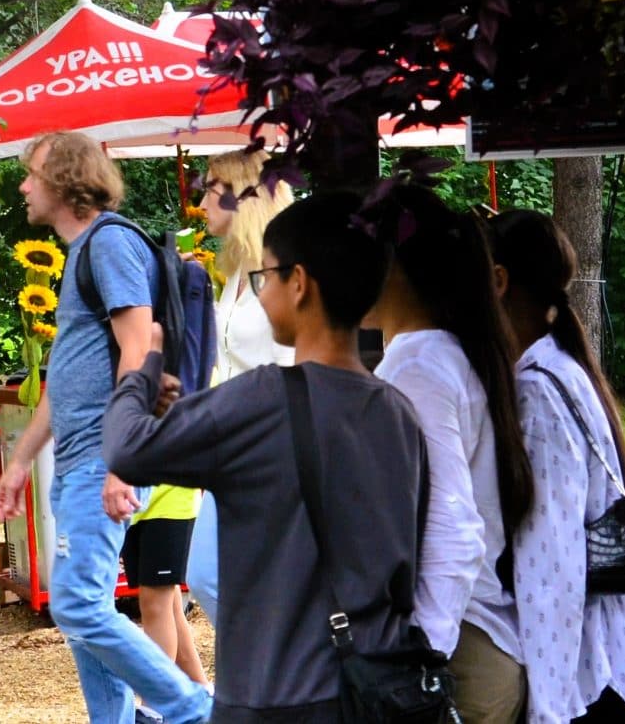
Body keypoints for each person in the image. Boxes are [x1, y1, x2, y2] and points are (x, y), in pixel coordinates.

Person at [104, 191, 429, 724]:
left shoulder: (257, 401)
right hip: (372, 687)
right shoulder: (397, 412)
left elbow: (126, 446)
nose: (262, 290)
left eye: (266, 277)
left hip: (271, 692)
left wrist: (146, 364)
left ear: (299, 284)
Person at [0, 131, 212, 724]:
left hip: (101, 459)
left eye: (32, 175)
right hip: (78, 463)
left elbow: (139, 351)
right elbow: (65, 383)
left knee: (80, 604)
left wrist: (121, 461)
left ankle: (194, 709)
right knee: (78, 613)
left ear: (65, 181)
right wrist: (19, 463)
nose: (24, 186)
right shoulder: (84, 253)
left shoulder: (110, 245)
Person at [369, 184, 535, 724]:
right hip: (476, 645)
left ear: (392, 266)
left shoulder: (418, 367)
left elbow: (453, 527)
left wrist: (422, 663)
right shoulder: (446, 352)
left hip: (460, 654)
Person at [490, 211, 625, 723]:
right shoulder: (562, 368)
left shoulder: (539, 390)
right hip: (605, 668)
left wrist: (547, 709)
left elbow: (551, 565)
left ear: (498, 281)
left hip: (586, 680)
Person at [183, 150, 296, 626]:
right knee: (207, 574)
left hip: (275, 452)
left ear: (246, 196)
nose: (201, 200)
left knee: (219, 576)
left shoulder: (286, 274)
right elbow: (220, 354)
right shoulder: (234, 277)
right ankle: (264, 678)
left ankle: (270, 678)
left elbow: (293, 367)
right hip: (232, 452)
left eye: (210, 187)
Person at [124, 484, 209, 696]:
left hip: (172, 494)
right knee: (166, 604)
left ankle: (154, 708)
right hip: (130, 500)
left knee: (154, 604)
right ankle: (202, 693)